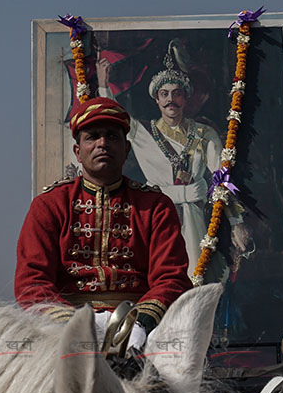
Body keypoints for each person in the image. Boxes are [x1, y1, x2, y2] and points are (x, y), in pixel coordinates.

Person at [15, 96, 192, 348]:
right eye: (92, 137)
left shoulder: (156, 207)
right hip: (63, 330)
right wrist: (73, 325)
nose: (102, 144)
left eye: (112, 136)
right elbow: (31, 283)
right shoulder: (49, 205)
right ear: (78, 151)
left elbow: (171, 278)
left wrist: (139, 324)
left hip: (141, 331)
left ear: (127, 149)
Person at [96, 42, 251, 282]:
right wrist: (103, 85)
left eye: (176, 93)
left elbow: (222, 179)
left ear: (185, 98)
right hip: (155, 218)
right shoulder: (142, 132)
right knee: (157, 280)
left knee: (196, 284)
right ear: (156, 99)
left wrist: (236, 222)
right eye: (164, 94)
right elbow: (114, 116)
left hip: (194, 221)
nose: (171, 100)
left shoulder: (203, 133)